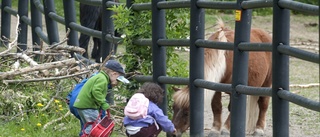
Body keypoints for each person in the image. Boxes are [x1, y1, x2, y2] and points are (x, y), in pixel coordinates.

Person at [73, 60, 130, 137]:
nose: (117, 82)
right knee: (94, 126)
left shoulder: (100, 76)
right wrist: (103, 103)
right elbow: (96, 91)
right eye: (118, 79)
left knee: (90, 125)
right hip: (88, 106)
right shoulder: (102, 79)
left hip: (83, 105)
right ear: (114, 74)